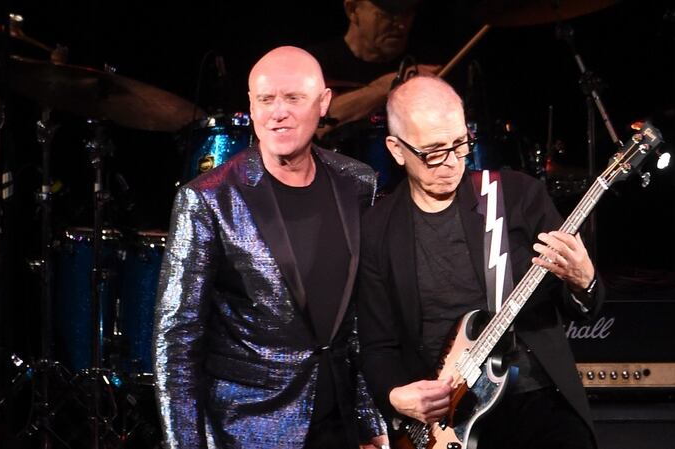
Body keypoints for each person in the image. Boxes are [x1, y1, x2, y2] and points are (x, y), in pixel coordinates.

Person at [153, 46, 386, 449]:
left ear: (323, 102)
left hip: (339, 423)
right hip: (247, 427)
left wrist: (369, 417)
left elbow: (360, 318)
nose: (278, 112)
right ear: (251, 106)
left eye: (293, 98)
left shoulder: (358, 183)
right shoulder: (209, 198)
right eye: (266, 100)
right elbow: (176, 341)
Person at [356, 75, 604, 448]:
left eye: (460, 143)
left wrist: (583, 281)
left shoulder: (517, 196)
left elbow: (585, 307)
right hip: (447, 421)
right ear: (396, 149)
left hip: (536, 402)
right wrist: (395, 395)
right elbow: (377, 345)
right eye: (433, 151)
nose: (452, 162)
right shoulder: (378, 228)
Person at [308, 0, 439, 193]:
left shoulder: (424, 62)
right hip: (332, 192)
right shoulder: (315, 64)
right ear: (352, 10)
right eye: (387, 15)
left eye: (407, 14)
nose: (401, 24)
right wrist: (388, 86)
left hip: (410, 193)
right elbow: (318, 120)